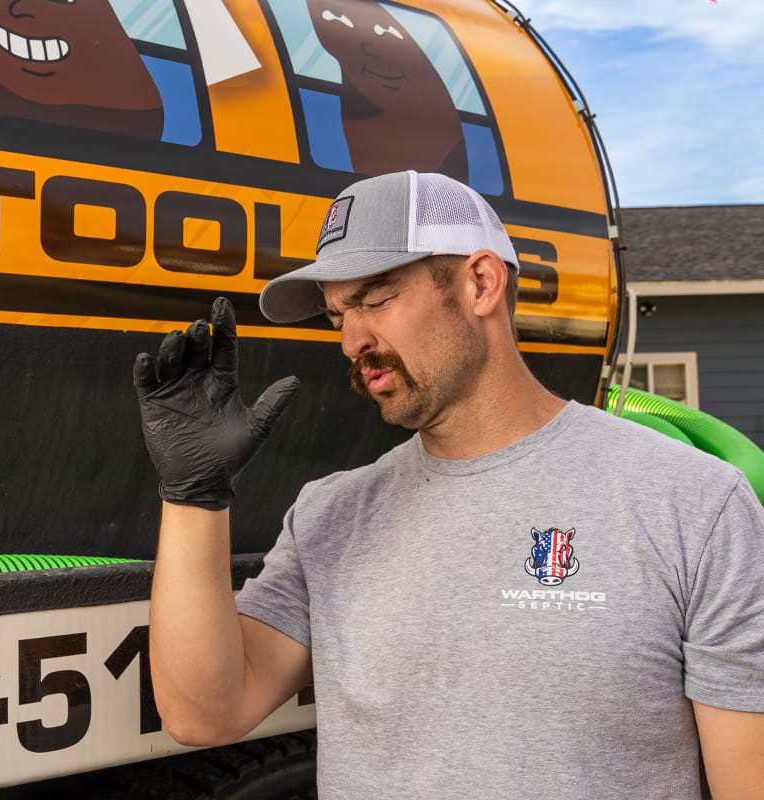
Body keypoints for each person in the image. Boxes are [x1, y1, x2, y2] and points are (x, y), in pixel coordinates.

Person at [132, 170, 764, 799]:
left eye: (376, 299)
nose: (353, 340)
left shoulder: (690, 502)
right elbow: (204, 714)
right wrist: (194, 498)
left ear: (481, 284)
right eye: (337, 316)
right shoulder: (332, 513)